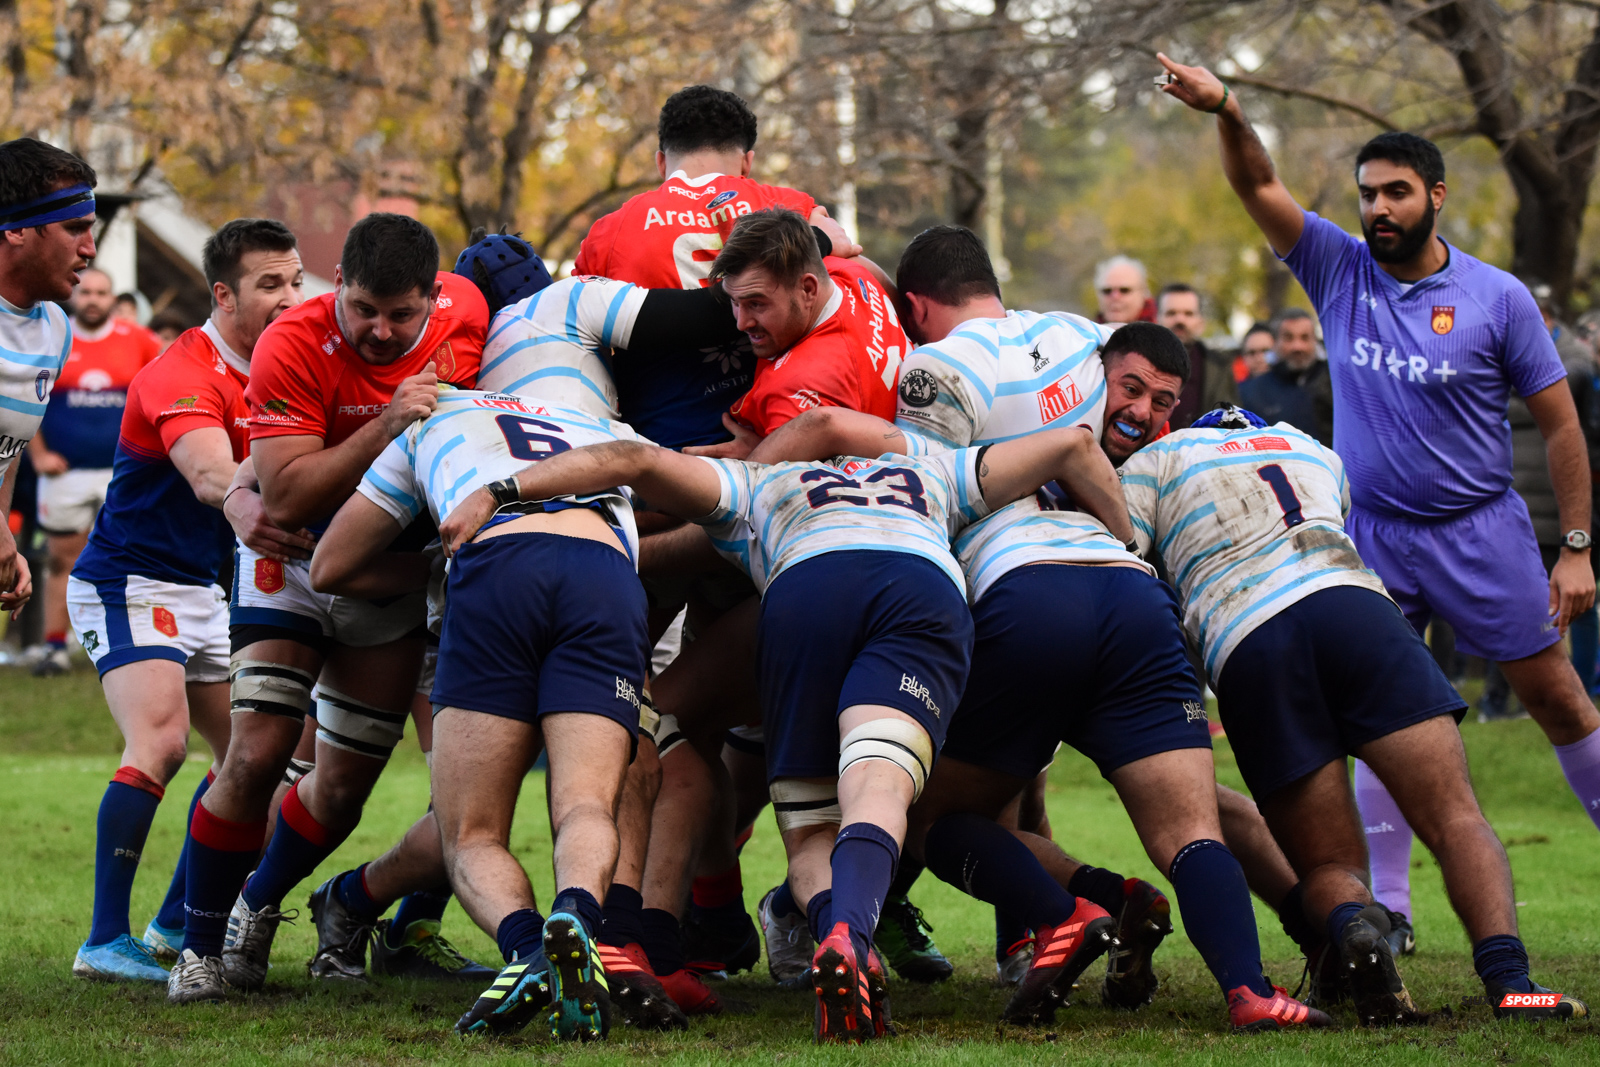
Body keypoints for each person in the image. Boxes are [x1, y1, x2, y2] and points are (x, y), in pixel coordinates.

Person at [435, 403, 1133, 1044]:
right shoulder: (932, 464)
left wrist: (502, 493)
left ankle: (813, 930)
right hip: (917, 586)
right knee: (880, 784)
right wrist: (1131, 543)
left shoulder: (758, 480)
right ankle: (853, 935)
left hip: (807, 591)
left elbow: (630, 459)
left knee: (806, 825)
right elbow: (1074, 442)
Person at [1160, 53, 1600, 990]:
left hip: (1482, 530)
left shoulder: (1498, 298)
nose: (1379, 210)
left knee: (1560, 699)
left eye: (1397, 193)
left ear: (1436, 196)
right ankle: (1387, 911)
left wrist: (1575, 546)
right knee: (1374, 718)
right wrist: (1229, 107)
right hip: (1371, 539)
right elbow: (1258, 181)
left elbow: (1561, 421)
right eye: (1368, 195)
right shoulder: (1335, 267)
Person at [1121, 403, 1587, 1022]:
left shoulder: (1155, 461)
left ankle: (1352, 923)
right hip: (1358, 610)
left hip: (1251, 637)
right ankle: (1511, 984)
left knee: (1329, 863)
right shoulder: (1312, 449)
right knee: (1455, 817)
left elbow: (1128, 557)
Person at [169, 213, 492, 1003]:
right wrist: (389, 420)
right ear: (337, 285)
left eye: (400, 315)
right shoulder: (291, 341)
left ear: (434, 298)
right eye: (363, 309)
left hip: (392, 578)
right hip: (294, 562)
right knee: (255, 753)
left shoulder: (471, 318)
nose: (380, 331)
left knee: (343, 787)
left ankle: (257, 901)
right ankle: (198, 948)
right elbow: (285, 490)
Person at [309, 387, 682, 1040]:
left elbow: (331, 564)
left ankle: (529, 949)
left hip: (498, 564)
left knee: (472, 832)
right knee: (588, 805)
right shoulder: (604, 420)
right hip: (606, 574)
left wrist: (432, 563)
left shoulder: (436, 416)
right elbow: (703, 499)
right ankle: (575, 914)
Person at [66, 218, 312, 981]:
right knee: (164, 741)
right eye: (271, 283)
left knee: (258, 758)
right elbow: (212, 476)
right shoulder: (184, 371)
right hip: (128, 580)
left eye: (297, 280)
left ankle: (175, 923)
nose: (290, 297)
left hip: (208, 591)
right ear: (224, 294)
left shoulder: (286, 366)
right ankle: (104, 942)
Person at [572, 84, 839, 450]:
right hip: (783, 441)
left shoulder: (607, 234)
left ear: (661, 162)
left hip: (660, 457)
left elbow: (580, 353)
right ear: (747, 160)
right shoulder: (792, 210)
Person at [26, 266, 160, 675]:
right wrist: (38, 454)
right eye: (87, 292)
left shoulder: (139, 340)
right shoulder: (52, 336)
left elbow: (166, 392)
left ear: (113, 298)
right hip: (63, 475)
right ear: (76, 296)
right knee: (61, 560)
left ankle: (140, 645)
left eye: (102, 293)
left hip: (124, 474)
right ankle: (54, 649)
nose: (93, 300)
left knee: (136, 560)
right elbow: (24, 398)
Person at [0, 138, 98, 630]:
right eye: (75, 228)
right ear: (17, 230)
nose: (90, 248)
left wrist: (6, 543)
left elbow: (6, 450)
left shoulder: (56, 328)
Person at [1238, 308, 1333, 445]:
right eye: (1289, 338)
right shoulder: (1250, 393)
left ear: (1315, 341)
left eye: (1305, 337)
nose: (1297, 346)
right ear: (1275, 342)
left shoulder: (1335, 387)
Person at [1156, 283, 1237, 429]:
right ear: (1157, 319)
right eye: (1171, 313)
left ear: (1201, 322)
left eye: (1188, 314)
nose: (1180, 320)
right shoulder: (1141, 362)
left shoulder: (1219, 367)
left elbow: (1232, 420)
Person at [1093, 255, 1155, 324]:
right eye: (1107, 291)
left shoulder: (1163, 328)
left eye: (1124, 290)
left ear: (1143, 292)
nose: (1115, 297)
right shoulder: (1086, 332)